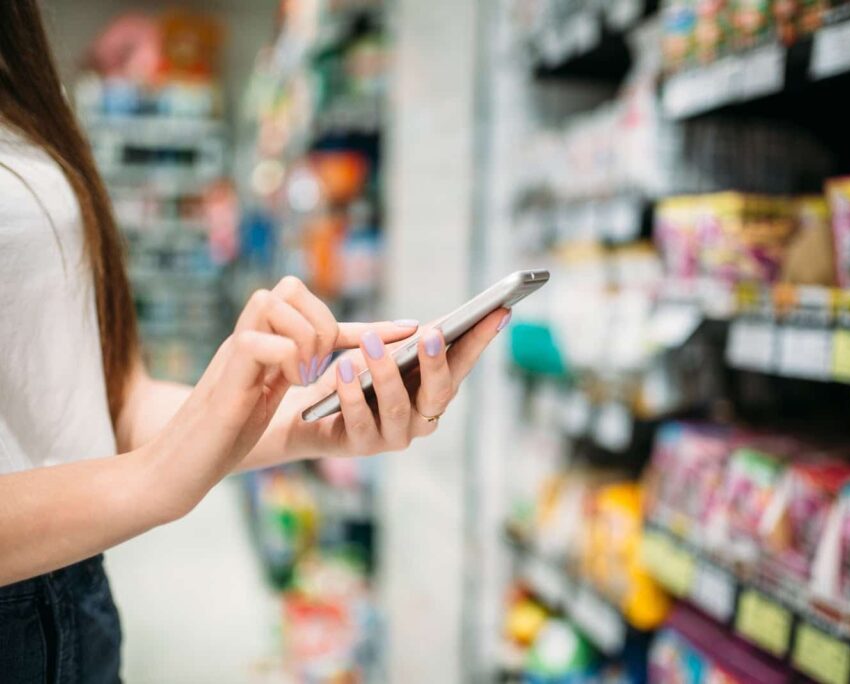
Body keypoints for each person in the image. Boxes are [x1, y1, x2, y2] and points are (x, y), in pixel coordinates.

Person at [0, 2, 508, 681]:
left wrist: (305, 418)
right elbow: (140, 465)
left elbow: (104, 401)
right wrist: (153, 481)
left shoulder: (28, 95)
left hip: (79, 598)